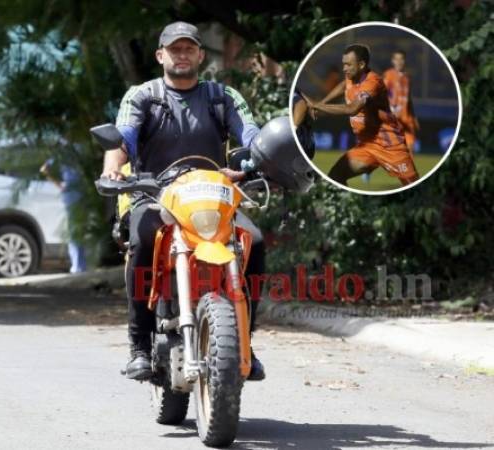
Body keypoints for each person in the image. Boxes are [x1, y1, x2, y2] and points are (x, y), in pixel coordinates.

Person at [100, 21, 266, 381]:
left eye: (189, 48)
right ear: (161, 55)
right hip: (154, 195)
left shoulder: (223, 97)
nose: (182, 54)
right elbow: (123, 138)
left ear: (201, 55)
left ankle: (244, 342)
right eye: (175, 49)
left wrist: (264, 158)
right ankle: (139, 346)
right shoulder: (142, 96)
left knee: (256, 242)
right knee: (143, 243)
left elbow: (251, 135)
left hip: (213, 198)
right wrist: (114, 168)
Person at [304, 44, 419, 187]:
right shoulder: (352, 77)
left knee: (413, 186)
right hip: (367, 146)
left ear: (361, 65)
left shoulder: (372, 82)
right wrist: (323, 101)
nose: (344, 69)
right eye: (343, 64)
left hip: (389, 145)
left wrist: (319, 106)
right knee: (335, 176)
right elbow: (343, 85)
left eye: (348, 65)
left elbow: (352, 109)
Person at [40, 158, 87, 274]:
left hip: (80, 194)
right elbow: (44, 169)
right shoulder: (63, 152)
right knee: (74, 229)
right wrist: (60, 185)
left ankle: (80, 265)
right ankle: (77, 266)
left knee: (79, 229)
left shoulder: (71, 149)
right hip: (72, 195)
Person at [383, 50, 420, 153]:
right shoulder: (388, 75)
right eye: (396, 59)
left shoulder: (407, 77)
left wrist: (413, 116)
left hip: (407, 117)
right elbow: (383, 94)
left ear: (404, 61)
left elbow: (408, 98)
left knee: (410, 147)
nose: (399, 62)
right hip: (393, 117)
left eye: (401, 59)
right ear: (393, 61)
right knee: (394, 150)